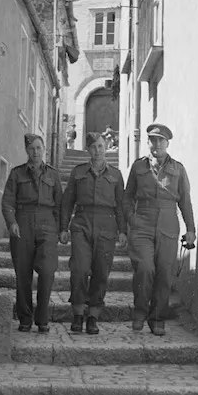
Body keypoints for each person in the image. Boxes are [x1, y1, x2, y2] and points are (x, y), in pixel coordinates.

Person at [123, 123, 196, 336]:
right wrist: (130, 218)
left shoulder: (178, 169)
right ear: (147, 143)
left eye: (160, 140)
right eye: (152, 140)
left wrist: (191, 229)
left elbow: (186, 201)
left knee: (165, 273)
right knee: (145, 268)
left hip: (168, 224)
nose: (156, 144)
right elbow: (127, 196)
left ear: (167, 143)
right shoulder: (138, 167)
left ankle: (157, 319)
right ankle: (139, 312)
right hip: (142, 223)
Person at [60, 132, 128, 335]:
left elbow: (121, 206)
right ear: (88, 150)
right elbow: (67, 202)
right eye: (93, 147)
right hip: (82, 223)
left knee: (101, 271)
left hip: (107, 226)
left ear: (105, 147)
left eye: (100, 146)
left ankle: (93, 316)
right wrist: (63, 227)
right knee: (79, 269)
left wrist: (123, 230)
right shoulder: (78, 172)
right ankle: (78, 313)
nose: (97, 151)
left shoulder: (115, 175)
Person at [1, 134, 62, 333]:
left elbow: (59, 204)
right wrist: (12, 223)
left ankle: (42, 318)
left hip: (47, 224)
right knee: (23, 273)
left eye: (38, 148)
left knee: (47, 271)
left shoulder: (53, 175)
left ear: (44, 149)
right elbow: (8, 201)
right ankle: (25, 318)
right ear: (27, 151)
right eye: (31, 149)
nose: (35, 152)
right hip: (23, 223)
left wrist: (61, 229)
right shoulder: (17, 174)